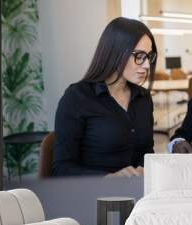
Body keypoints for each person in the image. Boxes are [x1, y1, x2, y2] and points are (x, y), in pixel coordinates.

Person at [52, 17, 157, 177]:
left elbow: (146, 152)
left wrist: (145, 169)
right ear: (115, 52)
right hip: (96, 195)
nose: (146, 65)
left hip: (137, 193)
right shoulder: (77, 97)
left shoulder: (143, 98)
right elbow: (61, 168)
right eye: (139, 56)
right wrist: (108, 178)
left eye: (148, 56)